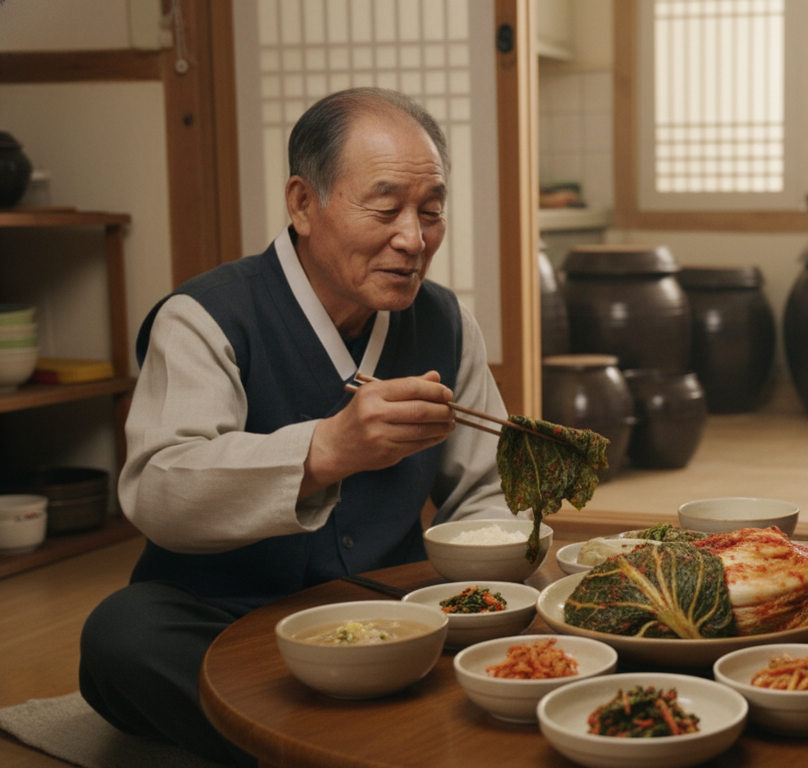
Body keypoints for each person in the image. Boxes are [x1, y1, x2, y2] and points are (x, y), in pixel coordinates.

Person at [79, 87, 516, 765]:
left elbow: (488, 489)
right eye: (386, 208)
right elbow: (158, 490)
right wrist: (324, 449)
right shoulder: (205, 316)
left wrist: (487, 585)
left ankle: (303, 739)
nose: (413, 238)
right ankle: (369, 739)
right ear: (303, 203)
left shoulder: (445, 322)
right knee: (123, 636)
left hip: (392, 607)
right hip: (228, 612)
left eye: (431, 212)